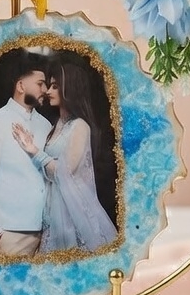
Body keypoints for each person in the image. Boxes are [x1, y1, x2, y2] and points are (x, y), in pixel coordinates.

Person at [11, 58, 118, 253]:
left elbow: (65, 171)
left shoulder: (80, 126)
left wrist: (33, 149)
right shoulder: (54, 127)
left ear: (70, 90)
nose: (48, 91)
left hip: (72, 212)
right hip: (52, 209)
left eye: (55, 86)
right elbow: (47, 171)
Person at [0, 50, 53, 256]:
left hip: (46, 231)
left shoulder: (45, 125)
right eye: (40, 84)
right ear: (21, 86)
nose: (45, 90)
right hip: (11, 232)